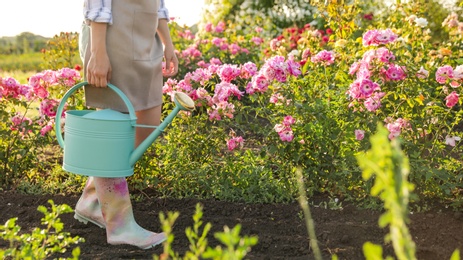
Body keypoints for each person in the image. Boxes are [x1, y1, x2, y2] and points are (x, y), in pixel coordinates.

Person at [74, 0, 179, 249]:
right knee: (114, 126)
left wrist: (168, 42)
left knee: (149, 124)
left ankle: (92, 201)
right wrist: (98, 52)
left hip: (145, 37)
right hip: (111, 36)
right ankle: (120, 225)